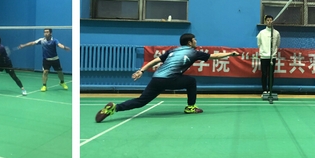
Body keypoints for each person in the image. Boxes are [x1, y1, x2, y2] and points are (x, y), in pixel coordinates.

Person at [95, 33, 238, 122]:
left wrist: (142, 70)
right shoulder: (193, 52)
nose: (196, 41)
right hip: (170, 79)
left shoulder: (172, 51)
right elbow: (214, 56)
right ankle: (190, 107)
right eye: (194, 40)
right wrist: (230, 54)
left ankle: (114, 108)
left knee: (141, 101)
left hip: (157, 78)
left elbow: (155, 60)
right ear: (189, 43)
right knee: (191, 81)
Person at [257, 15, 281, 98]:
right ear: (265, 22)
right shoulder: (261, 33)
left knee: (271, 74)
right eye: (268, 20)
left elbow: (277, 44)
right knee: (264, 73)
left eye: (271, 20)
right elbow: (259, 44)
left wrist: (273, 52)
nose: (269, 22)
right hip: (264, 57)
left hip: (272, 57)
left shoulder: (276, 33)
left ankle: (270, 90)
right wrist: (263, 52)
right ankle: (264, 90)